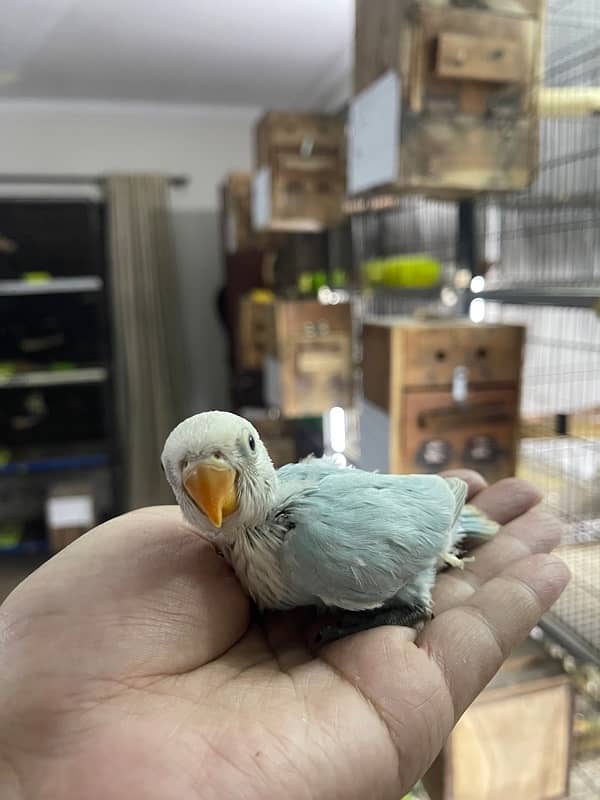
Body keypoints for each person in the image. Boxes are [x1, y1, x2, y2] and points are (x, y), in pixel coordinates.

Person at [0, 471, 569, 799]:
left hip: (415, 546)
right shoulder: (218, 552)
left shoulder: (312, 544)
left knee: (389, 595)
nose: (214, 484)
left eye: (236, 457)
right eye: (189, 477)